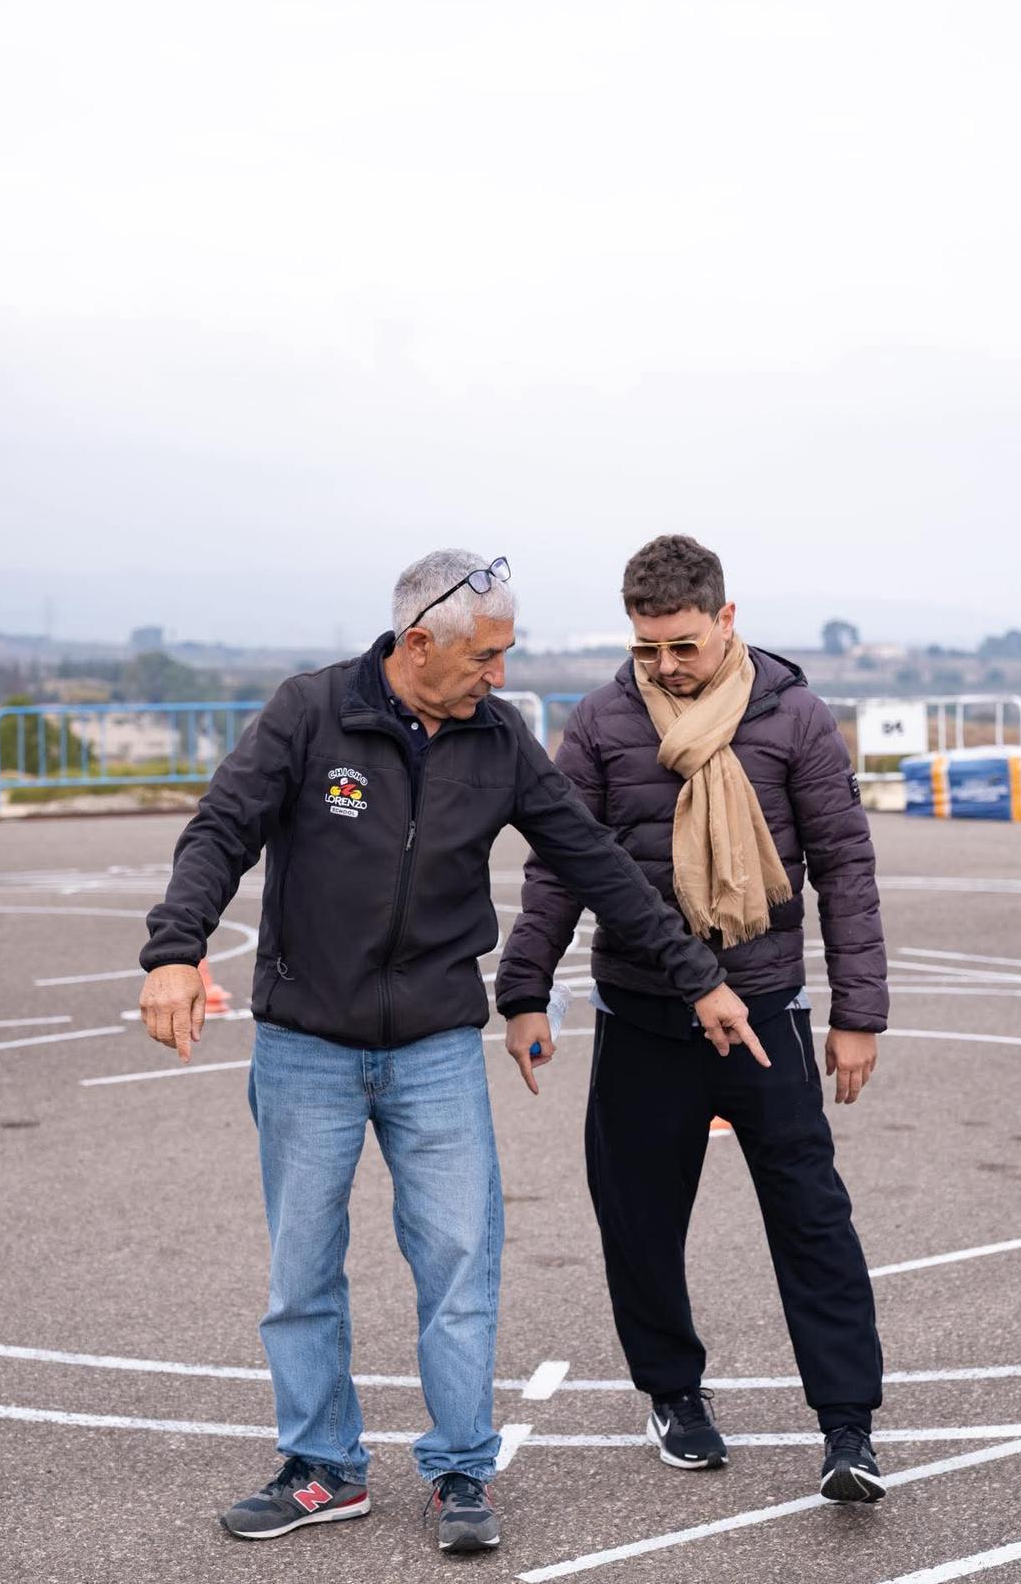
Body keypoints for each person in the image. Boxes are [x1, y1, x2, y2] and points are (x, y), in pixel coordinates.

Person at [138, 548, 766, 1556]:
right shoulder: (310, 714)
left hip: (433, 1047)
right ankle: (323, 1468)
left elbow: (594, 861)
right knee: (302, 1272)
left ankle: (461, 1472)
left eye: (506, 656)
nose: (500, 675)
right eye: (486, 655)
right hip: (307, 1045)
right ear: (419, 642)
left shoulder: (499, 739)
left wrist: (699, 979)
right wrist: (176, 951)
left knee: (461, 1266)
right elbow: (220, 831)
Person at [496, 534, 889, 1504]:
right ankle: (674, 1394)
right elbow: (560, 867)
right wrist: (526, 989)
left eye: (681, 645)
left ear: (726, 620)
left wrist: (859, 1014)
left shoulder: (794, 719)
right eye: (646, 649)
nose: (665, 666)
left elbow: (845, 868)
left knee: (814, 1225)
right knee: (637, 1223)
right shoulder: (598, 725)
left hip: (766, 1014)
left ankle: (849, 1427)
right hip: (640, 1016)